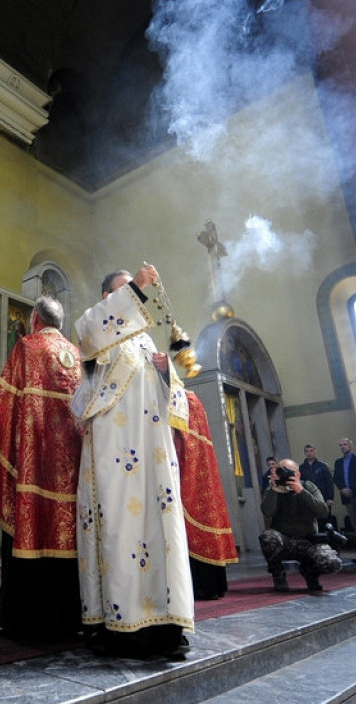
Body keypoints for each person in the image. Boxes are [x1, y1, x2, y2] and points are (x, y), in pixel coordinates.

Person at [72, 264, 193, 659]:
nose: (137, 299)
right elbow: (88, 334)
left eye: (136, 292)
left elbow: (171, 404)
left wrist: (165, 374)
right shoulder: (100, 330)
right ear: (109, 298)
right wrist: (137, 287)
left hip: (153, 458)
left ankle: (168, 624)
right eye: (125, 292)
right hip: (115, 454)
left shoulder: (144, 342)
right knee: (121, 530)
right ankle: (122, 628)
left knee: (162, 534)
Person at [0, 295, 84, 641]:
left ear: (35, 318)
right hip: (73, 474)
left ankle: (23, 620)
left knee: (31, 534)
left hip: (35, 472)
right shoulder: (77, 356)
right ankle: (70, 618)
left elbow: (6, 406)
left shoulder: (28, 347)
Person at [173, 390, 238, 600]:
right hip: (199, 472)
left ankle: (204, 586)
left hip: (188, 471)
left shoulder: (186, 400)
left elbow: (179, 437)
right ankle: (213, 585)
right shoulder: (193, 399)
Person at [259, 459, 342, 592]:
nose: (284, 474)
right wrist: (274, 490)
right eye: (280, 471)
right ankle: (278, 574)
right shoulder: (272, 489)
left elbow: (323, 511)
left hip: (308, 541)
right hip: (284, 543)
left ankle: (311, 575)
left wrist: (301, 491)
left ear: (298, 474)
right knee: (267, 537)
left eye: (288, 471)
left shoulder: (308, 486)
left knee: (332, 563)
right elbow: (267, 512)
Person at [299, 443, 335, 532]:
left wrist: (330, 498)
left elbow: (329, 482)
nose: (309, 453)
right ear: (304, 453)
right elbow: (300, 484)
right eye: (307, 451)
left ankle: (328, 544)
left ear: (315, 452)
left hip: (323, 497)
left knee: (325, 522)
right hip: (309, 498)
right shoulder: (301, 468)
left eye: (311, 451)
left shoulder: (322, 466)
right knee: (312, 522)